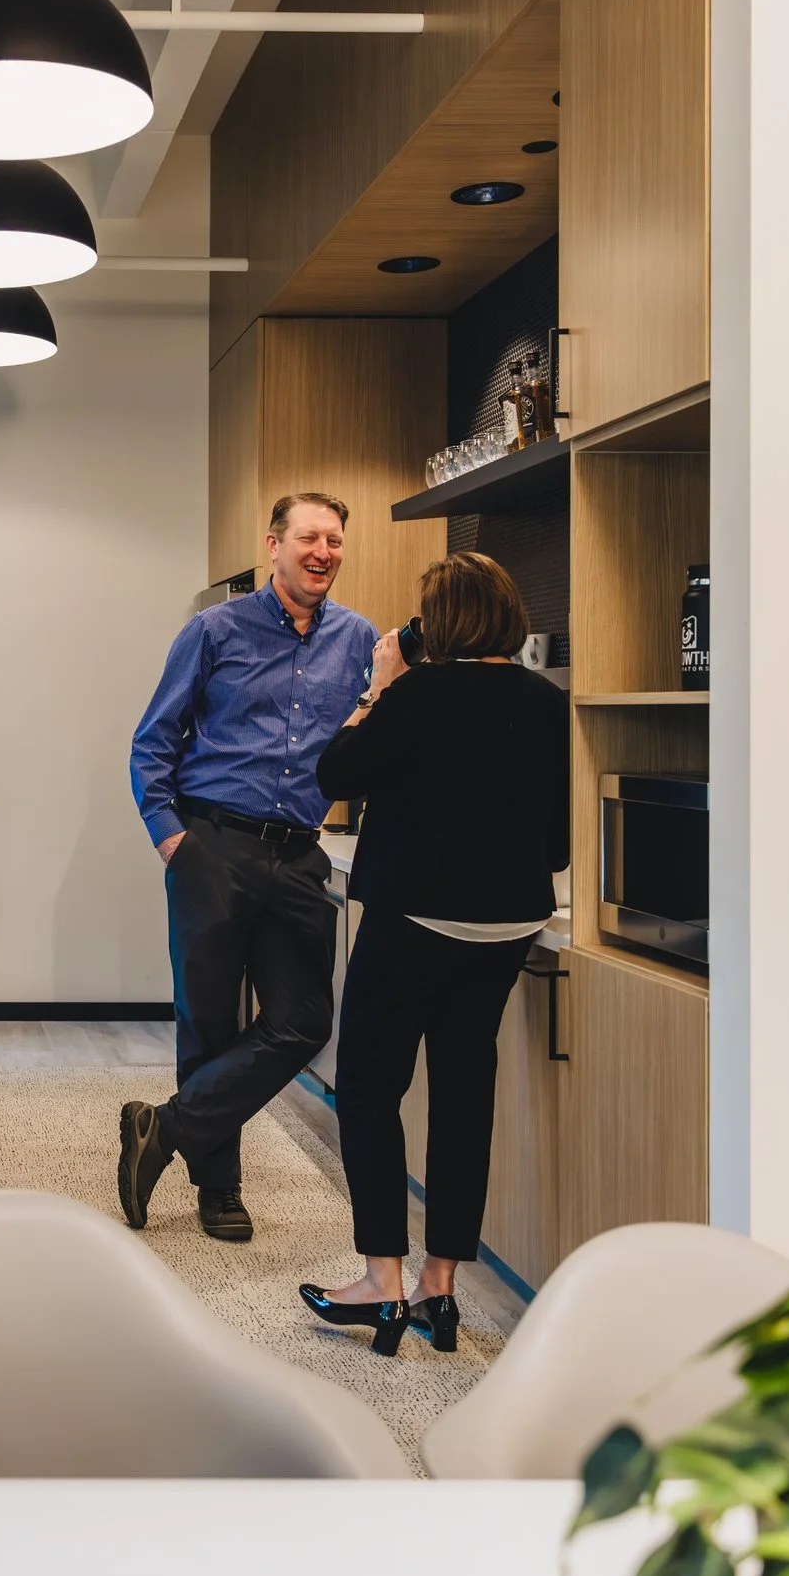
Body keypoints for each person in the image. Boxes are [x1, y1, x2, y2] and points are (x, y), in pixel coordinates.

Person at [297, 551, 567, 1356]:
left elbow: (333, 772)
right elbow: (556, 835)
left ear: (435, 625)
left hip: (415, 917)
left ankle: (382, 1280)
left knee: (370, 1086)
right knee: (462, 1088)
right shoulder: (547, 701)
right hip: (507, 926)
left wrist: (380, 686)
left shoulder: (416, 694)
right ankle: (438, 1287)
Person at [119, 492, 377, 1241]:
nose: (323, 552)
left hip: (300, 854)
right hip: (212, 845)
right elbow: (152, 743)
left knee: (302, 1022)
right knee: (209, 1020)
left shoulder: (359, 639)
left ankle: (163, 1129)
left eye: (334, 540)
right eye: (309, 538)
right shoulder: (213, 630)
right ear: (273, 544)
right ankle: (219, 1188)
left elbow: (370, 741)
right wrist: (175, 843)